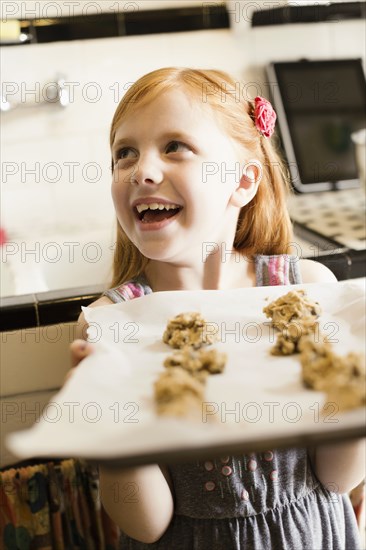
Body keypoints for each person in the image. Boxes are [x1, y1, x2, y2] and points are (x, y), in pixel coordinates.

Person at [69, 68, 365, 549]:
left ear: (243, 181)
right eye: (125, 152)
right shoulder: (111, 327)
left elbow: (335, 479)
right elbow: (146, 524)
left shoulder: (305, 294)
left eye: (174, 147)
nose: (141, 169)